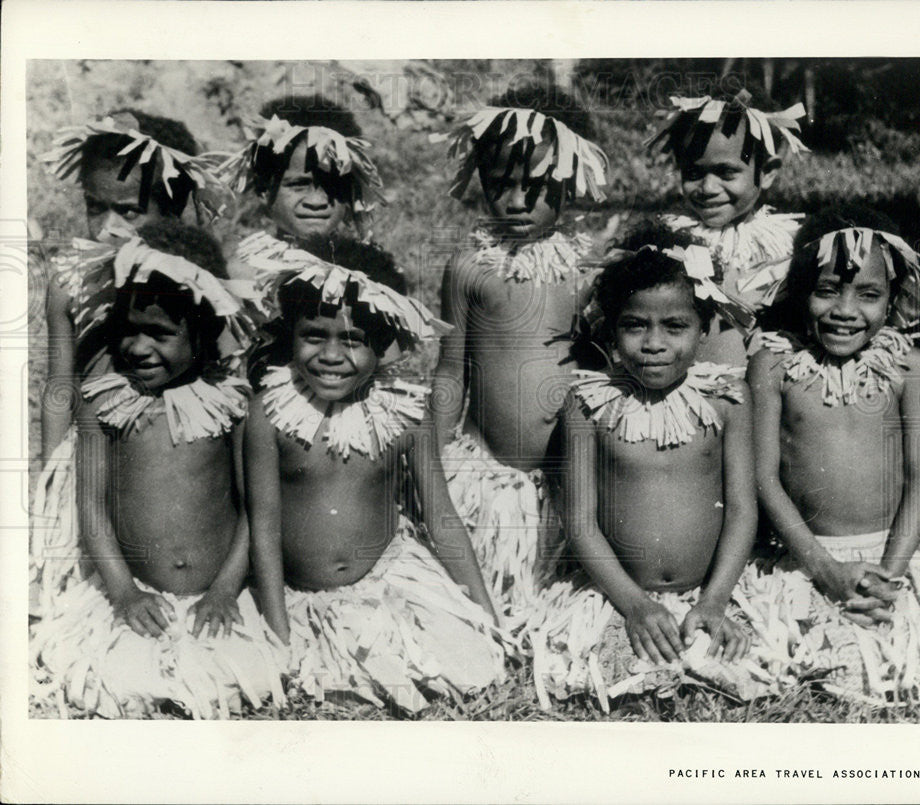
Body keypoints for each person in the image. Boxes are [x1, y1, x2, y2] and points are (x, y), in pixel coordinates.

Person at [526, 222, 788, 712]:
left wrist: (713, 601)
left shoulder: (728, 399)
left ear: (705, 327)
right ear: (609, 327)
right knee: (612, 676)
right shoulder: (587, 404)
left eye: (675, 326)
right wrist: (635, 605)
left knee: (755, 667)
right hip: (618, 592)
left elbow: (740, 510)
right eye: (634, 325)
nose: (653, 343)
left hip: (712, 589)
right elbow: (580, 522)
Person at [31, 220, 283, 719]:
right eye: (128, 330)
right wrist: (123, 592)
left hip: (218, 593)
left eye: (161, 333)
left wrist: (225, 590)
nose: (138, 348)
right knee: (114, 685)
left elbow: (255, 510)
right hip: (137, 592)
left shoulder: (233, 405)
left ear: (206, 331)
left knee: (240, 680)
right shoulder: (102, 405)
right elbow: (93, 509)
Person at [244, 242, 505, 714]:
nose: (330, 355)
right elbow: (262, 527)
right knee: (297, 683)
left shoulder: (404, 414)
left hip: (388, 583)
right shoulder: (270, 416)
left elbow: (440, 516)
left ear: (383, 344)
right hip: (300, 596)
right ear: (290, 335)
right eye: (313, 335)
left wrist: (484, 612)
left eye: (352, 339)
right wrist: (278, 631)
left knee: (466, 664)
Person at [745, 204, 920, 707]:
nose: (846, 310)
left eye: (868, 294)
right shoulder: (774, 366)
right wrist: (824, 570)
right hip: (804, 559)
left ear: (893, 298)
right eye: (828, 289)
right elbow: (763, 479)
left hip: (891, 558)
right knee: (779, 659)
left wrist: (889, 577)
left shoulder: (908, 367)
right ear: (800, 289)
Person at [430, 83, 610, 624]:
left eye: (536, 185)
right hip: (488, 476)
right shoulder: (469, 268)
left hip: (568, 480)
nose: (516, 200)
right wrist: (432, 461)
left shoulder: (587, 268)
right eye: (501, 184)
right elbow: (450, 373)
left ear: (571, 183)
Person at [39, 109, 227, 461]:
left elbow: (227, 377)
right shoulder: (69, 284)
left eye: (128, 212)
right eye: (95, 207)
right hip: (94, 459)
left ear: (171, 213)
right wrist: (52, 472)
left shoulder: (196, 283)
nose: (105, 228)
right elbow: (59, 386)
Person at [647, 80, 809, 365]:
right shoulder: (665, 242)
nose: (708, 187)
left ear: (767, 172)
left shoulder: (786, 246)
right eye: (694, 173)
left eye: (726, 172)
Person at [217, 94, 384, 261]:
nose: (316, 201)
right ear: (263, 190)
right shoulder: (238, 273)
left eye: (332, 185)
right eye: (299, 184)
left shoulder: (370, 273)